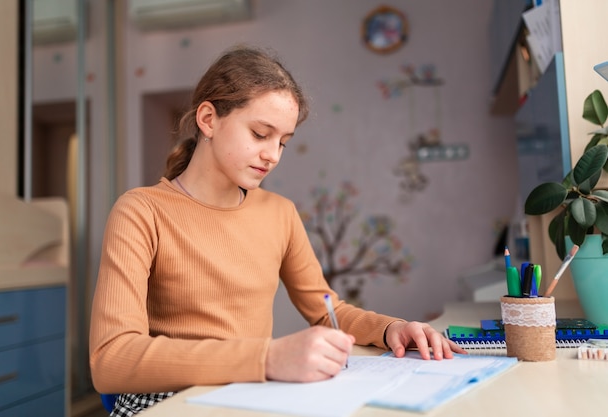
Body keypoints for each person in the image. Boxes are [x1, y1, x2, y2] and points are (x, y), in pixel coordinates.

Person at [89, 44, 465, 417]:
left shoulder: (279, 213)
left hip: (248, 392)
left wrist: (391, 329)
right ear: (208, 119)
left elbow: (327, 311)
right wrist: (267, 357)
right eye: (259, 134)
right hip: (168, 401)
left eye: (283, 142)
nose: (273, 155)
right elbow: (111, 359)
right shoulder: (141, 210)